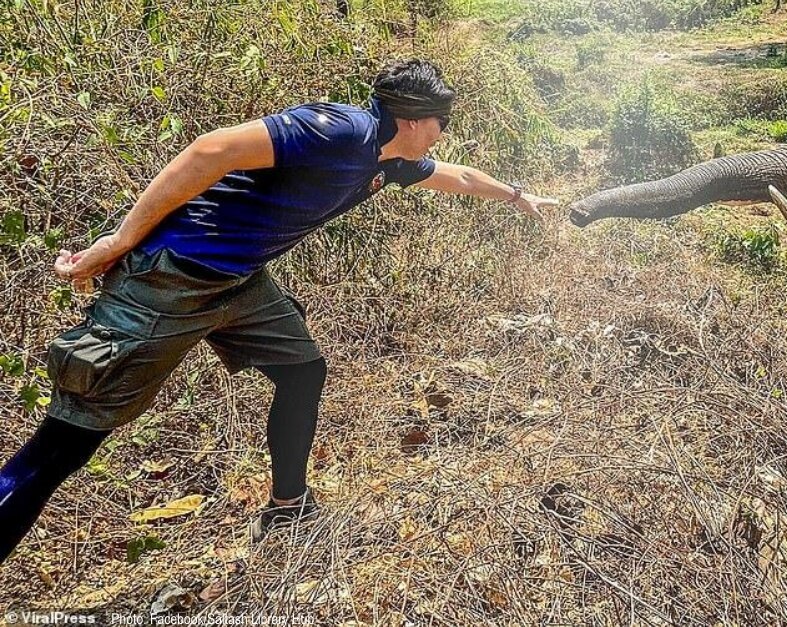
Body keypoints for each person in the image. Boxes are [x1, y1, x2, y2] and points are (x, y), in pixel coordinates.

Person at [0, 59, 558, 562]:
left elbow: (455, 175)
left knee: (303, 369)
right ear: (414, 118)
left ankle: (288, 505)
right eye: (442, 123)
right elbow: (211, 150)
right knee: (65, 445)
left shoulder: (384, 160)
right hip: (168, 280)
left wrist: (516, 195)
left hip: (239, 284)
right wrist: (118, 241)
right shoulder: (341, 129)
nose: (442, 135)